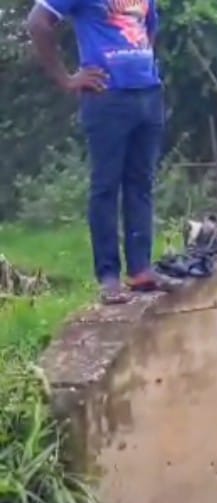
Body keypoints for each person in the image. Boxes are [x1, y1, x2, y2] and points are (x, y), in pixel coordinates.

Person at [27, 0, 179, 304]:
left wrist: (142, 63)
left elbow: (150, 27)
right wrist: (67, 79)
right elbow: (37, 22)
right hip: (107, 96)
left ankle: (141, 270)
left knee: (141, 183)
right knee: (106, 186)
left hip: (148, 93)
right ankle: (108, 277)